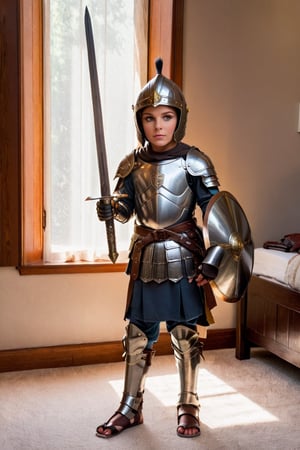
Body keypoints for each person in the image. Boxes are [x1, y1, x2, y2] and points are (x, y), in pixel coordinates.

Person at [95, 58, 221, 439]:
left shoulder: (194, 161)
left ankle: (188, 404)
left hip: (185, 257)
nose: (158, 126)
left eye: (166, 117)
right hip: (146, 255)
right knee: (137, 335)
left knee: (185, 335)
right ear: (140, 121)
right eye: (149, 118)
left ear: (178, 118)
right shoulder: (131, 164)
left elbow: (220, 217)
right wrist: (112, 208)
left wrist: (215, 259)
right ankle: (130, 406)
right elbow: (127, 207)